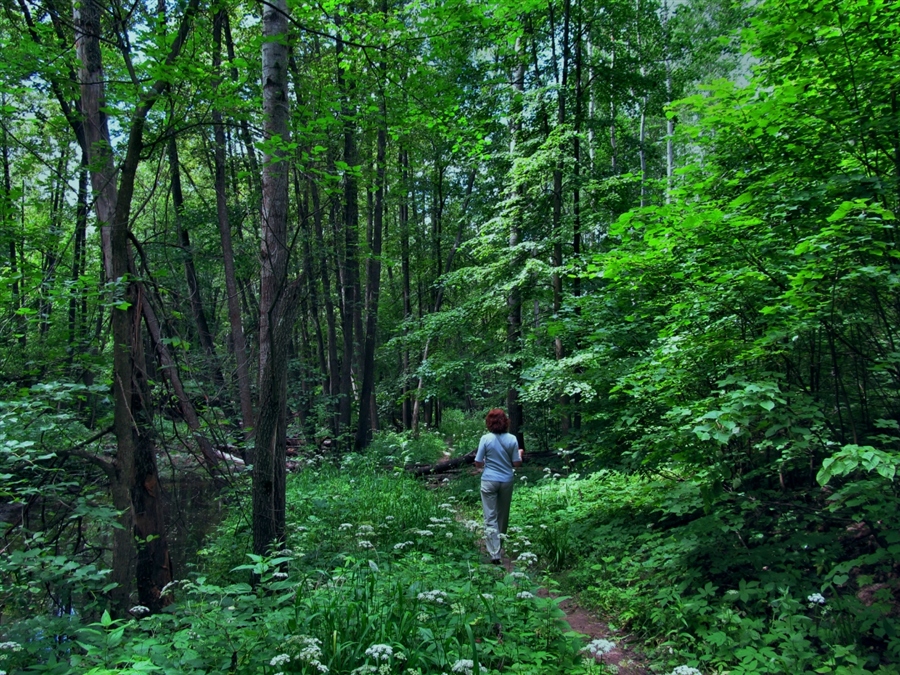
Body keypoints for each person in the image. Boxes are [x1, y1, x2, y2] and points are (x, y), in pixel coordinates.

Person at [474, 408, 523, 564]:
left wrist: (487, 463)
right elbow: (516, 463)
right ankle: (499, 546)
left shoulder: (485, 439)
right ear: (505, 422)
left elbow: (478, 462)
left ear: (489, 423)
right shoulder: (512, 439)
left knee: (490, 516)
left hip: (489, 480)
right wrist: (520, 454)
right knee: (503, 516)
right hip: (506, 480)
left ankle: (494, 553)